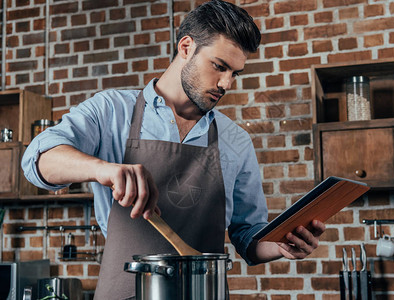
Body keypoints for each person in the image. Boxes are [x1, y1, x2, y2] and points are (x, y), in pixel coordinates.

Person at [22, 0, 325, 298]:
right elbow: (38, 161)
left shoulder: (236, 141)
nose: (226, 83)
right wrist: (103, 170)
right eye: (219, 66)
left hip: (205, 292)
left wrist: (281, 245)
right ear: (186, 47)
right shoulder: (111, 111)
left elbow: (248, 237)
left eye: (235, 73)